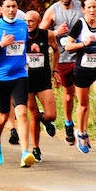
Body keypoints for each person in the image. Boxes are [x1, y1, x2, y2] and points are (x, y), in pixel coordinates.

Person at [0, 0, 36, 168]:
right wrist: (1, 45)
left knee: (22, 112)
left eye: (14, 6)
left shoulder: (22, 25)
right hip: (2, 77)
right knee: (4, 115)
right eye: (8, 7)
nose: (11, 10)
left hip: (20, 75)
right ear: (1, 8)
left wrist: (31, 47)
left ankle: (25, 152)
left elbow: (24, 43)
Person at [61, 0, 96, 155]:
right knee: (83, 105)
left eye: (94, 7)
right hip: (82, 70)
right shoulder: (79, 24)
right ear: (83, 9)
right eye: (88, 7)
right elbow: (67, 46)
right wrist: (83, 44)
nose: (91, 10)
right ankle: (81, 132)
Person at [40, 0, 82, 146]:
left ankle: (81, 129)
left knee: (81, 94)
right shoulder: (52, 11)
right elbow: (40, 33)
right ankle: (68, 123)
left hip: (80, 57)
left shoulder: (80, 7)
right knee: (68, 94)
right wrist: (57, 32)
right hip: (63, 58)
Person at [23, 10, 59, 163]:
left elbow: (56, 51)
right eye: (25, 21)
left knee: (51, 115)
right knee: (33, 115)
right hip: (26, 79)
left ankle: (45, 120)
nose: (28, 24)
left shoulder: (48, 35)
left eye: (31, 21)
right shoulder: (20, 36)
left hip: (43, 79)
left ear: (38, 22)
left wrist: (55, 69)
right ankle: (36, 148)